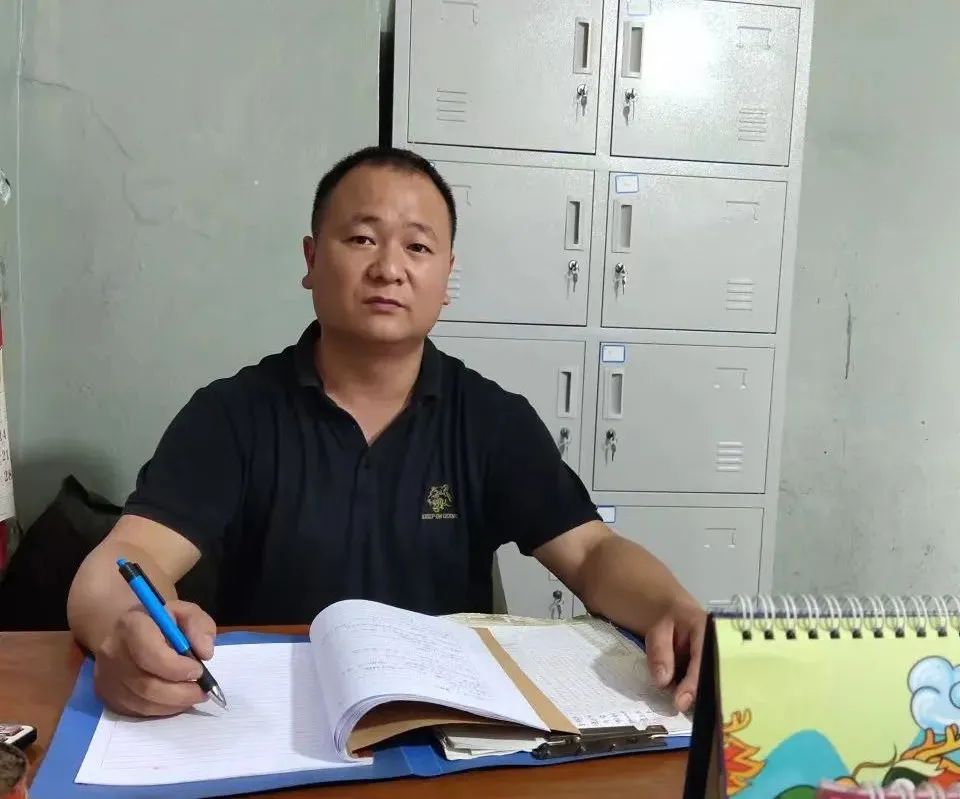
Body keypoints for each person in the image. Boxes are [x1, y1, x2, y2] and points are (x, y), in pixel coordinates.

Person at [67, 145, 706, 720]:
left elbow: (591, 553)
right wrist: (124, 629)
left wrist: (670, 608)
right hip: (270, 721)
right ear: (311, 261)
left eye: (418, 248)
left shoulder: (491, 420)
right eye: (362, 239)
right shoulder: (232, 415)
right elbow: (128, 556)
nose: (389, 268)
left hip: (444, 729)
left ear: (446, 277)